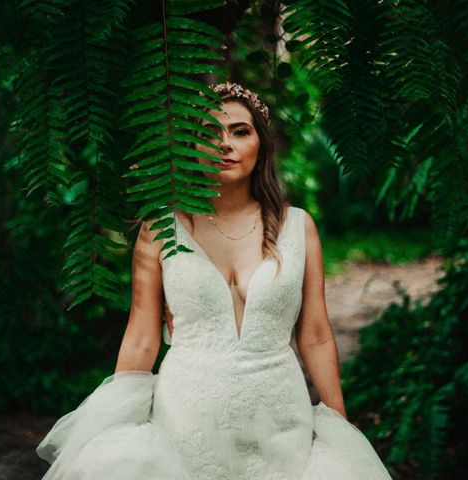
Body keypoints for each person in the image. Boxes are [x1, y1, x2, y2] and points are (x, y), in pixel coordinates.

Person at [36, 82, 392, 479]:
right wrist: (117, 418)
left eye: (240, 131)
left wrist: (337, 426)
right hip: (186, 419)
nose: (225, 143)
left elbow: (316, 335)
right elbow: (141, 335)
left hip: (279, 420)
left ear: (261, 143)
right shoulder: (161, 229)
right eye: (208, 133)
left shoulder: (298, 228)